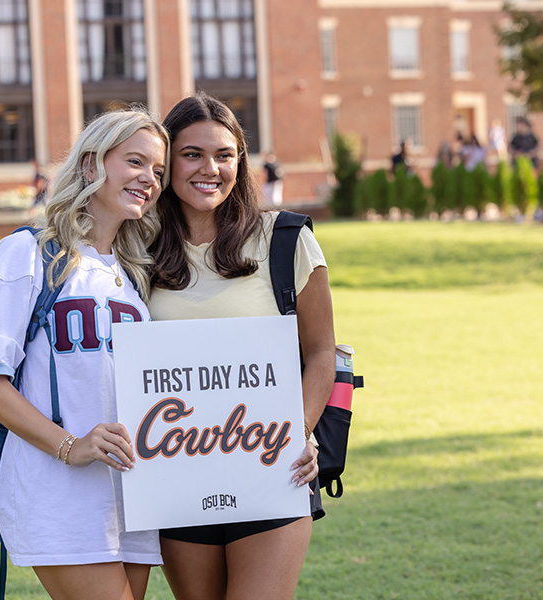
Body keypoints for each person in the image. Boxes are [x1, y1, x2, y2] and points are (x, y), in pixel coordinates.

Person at [0, 108, 168, 600]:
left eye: (158, 172)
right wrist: (69, 446)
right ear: (93, 163)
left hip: (131, 494)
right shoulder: (29, 253)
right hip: (57, 491)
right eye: (136, 162)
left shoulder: (135, 273)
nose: (149, 179)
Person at [148, 93, 335, 600]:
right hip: (176, 472)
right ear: (167, 165)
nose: (210, 168)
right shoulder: (137, 251)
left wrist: (298, 430)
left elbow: (322, 352)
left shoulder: (285, 239)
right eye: (191, 155)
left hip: (271, 467)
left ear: (241, 161)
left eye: (224, 155)